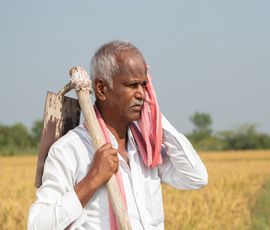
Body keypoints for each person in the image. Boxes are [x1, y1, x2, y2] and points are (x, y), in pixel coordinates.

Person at [28, 40, 208, 230]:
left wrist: (155, 117)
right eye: (132, 85)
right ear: (101, 89)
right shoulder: (70, 150)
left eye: (144, 85)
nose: (142, 94)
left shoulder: (146, 149)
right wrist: (92, 180)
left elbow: (196, 178)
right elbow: (37, 226)